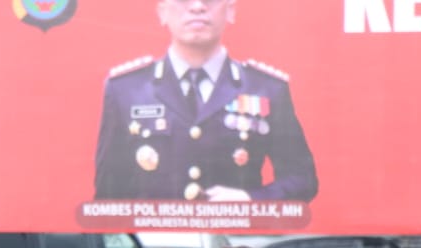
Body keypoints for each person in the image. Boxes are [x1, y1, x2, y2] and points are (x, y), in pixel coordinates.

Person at [91, 0, 316, 203]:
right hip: (155, 240)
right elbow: (108, 192)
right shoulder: (125, 89)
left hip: (235, 237)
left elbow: (302, 180)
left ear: (230, 11)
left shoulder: (267, 88)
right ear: (162, 12)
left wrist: (250, 199)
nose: (197, 6)